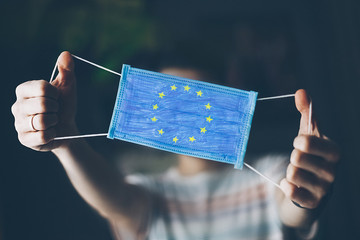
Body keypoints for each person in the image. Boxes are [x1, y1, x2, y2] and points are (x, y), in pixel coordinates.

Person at [11, 51, 340, 239]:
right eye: (168, 100)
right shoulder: (150, 195)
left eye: (197, 96)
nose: (184, 113)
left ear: (224, 97)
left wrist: (303, 196)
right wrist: (65, 139)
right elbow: (114, 200)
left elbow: (291, 202)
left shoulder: (268, 174)